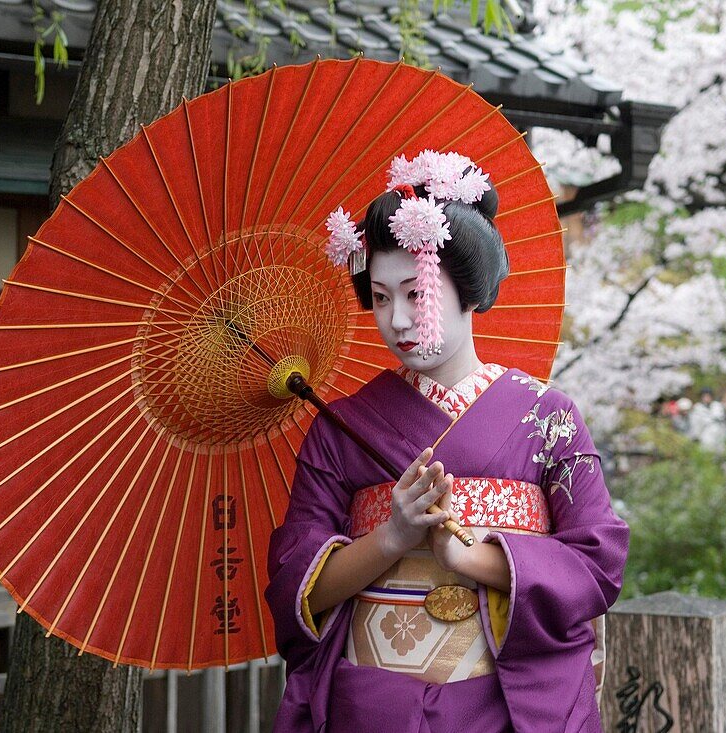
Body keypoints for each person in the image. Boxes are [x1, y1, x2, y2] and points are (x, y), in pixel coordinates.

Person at [264, 150, 630, 732]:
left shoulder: (548, 418)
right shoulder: (340, 428)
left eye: (417, 293)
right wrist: (392, 539)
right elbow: (293, 584)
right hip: (373, 702)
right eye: (381, 297)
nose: (398, 321)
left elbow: (597, 563)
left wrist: (472, 558)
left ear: (470, 289)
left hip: (503, 701)